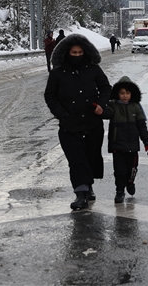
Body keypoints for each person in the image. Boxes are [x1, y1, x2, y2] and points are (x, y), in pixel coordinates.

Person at [44, 34, 111, 210]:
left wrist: (101, 105)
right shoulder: (57, 73)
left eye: (80, 52)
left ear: (86, 52)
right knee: (76, 160)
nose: (77, 55)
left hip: (92, 123)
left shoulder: (94, 69)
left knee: (91, 157)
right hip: (69, 126)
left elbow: (106, 88)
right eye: (73, 52)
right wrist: (62, 115)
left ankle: (88, 186)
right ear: (67, 53)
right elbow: (50, 96)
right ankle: (80, 193)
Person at [102, 76, 148, 202]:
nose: (125, 96)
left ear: (132, 94)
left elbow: (141, 126)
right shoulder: (113, 106)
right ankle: (119, 191)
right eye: (122, 93)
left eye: (127, 93)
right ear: (117, 93)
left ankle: (130, 182)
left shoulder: (136, 107)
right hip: (117, 145)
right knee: (119, 171)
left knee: (131, 169)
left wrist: (146, 142)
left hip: (132, 146)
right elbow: (105, 114)